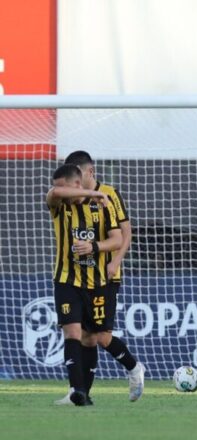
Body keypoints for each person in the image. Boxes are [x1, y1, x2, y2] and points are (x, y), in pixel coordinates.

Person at [55, 151, 146, 405]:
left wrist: (115, 260)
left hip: (105, 276)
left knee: (98, 336)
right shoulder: (67, 202)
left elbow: (124, 234)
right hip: (73, 278)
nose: (73, 181)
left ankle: (133, 367)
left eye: (77, 175)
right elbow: (55, 194)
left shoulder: (109, 196)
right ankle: (80, 392)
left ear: (89, 172)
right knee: (81, 333)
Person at [46, 164, 123, 406]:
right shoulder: (60, 207)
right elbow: (54, 195)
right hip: (66, 280)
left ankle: (85, 394)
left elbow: (118, 239)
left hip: (96, 282)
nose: (58, 190)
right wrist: (94, 193)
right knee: (72, 332)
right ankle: (75, 391)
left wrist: (94, 247)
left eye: (63, 185)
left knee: (92, 339)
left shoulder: (103, 206)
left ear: (77, 183)